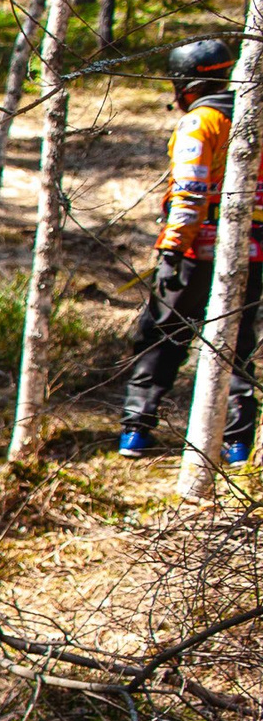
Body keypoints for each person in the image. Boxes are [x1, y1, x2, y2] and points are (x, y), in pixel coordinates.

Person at [119, 36, 260, 462]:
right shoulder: (253, 117)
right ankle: (238, 443)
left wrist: (174, 246)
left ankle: (136, 430)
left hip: (198, 253)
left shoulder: (200, 123)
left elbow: (190, 191)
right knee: (237, 344)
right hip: (253, 252)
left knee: (160, 334)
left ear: (186, 85)